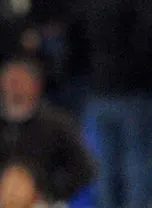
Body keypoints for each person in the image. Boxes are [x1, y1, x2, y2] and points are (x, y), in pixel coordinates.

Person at [0, 57, 94, 207]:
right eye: (9, 81)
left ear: (34, 85)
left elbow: (84, 168)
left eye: (18, 82)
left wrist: (48, 192)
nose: (13, 88)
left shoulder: (56, 124)